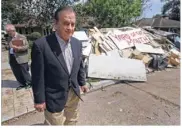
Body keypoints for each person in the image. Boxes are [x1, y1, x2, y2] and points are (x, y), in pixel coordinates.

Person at [31, 6, 89, 125]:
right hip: (54, 96)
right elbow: (38, 76)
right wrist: (39, 100)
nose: (70, 28)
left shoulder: (77, 43)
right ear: (56, 24)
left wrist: (82, 82)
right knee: (55, 123)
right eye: (66, 23)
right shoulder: (41, 45)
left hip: (73, 93)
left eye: (73, 24)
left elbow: (79, 65)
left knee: (72, 121)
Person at [5, 24, 31, 90]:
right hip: (12, 57)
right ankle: (22, 84)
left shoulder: (21, 36)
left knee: (24, 71)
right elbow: (7, 47)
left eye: (8, 32)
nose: (8, 33)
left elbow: (26, 46)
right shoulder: (9, 38)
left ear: (13, 31)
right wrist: (7, 46)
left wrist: (18, 48)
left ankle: (29, 83)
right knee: (16, 71)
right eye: (7, 32)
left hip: (21, 57)